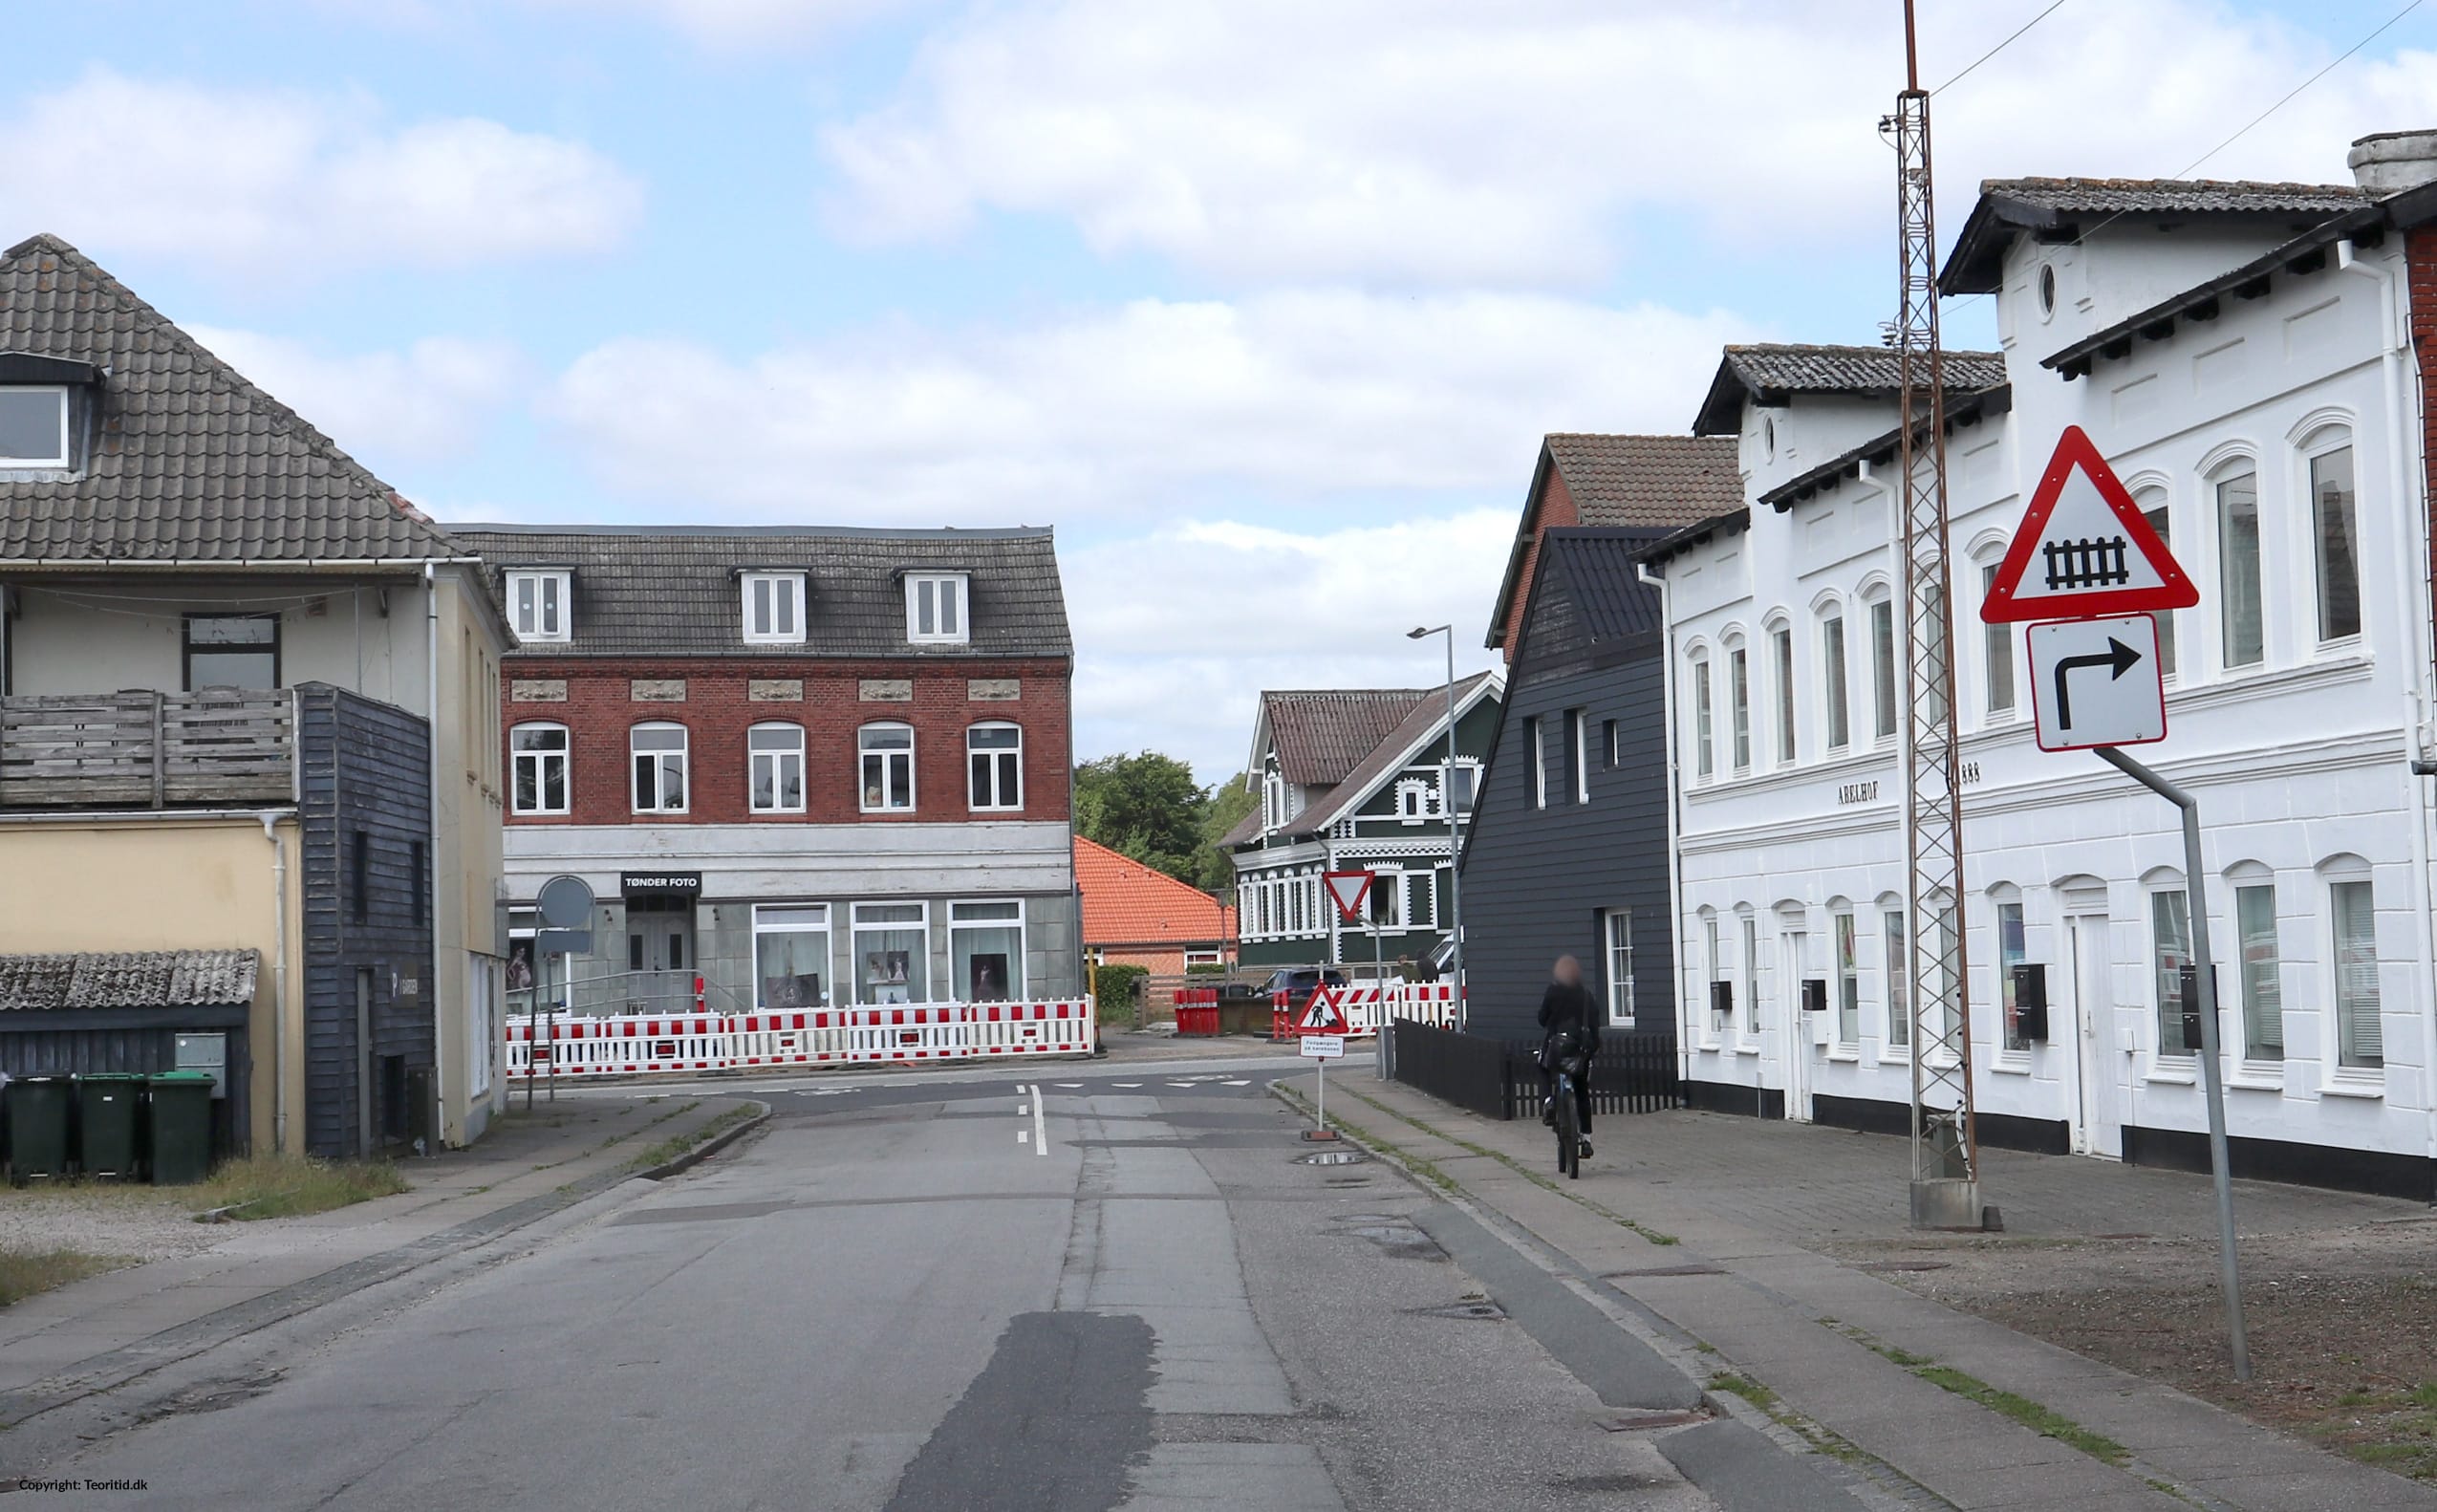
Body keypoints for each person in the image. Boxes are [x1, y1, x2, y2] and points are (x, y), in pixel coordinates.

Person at [1536, 954, 1597, 1158]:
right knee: (1582, 1092)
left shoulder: (1553, 991)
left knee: (1543, 1068)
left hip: (1556, 1046)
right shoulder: (1586, 995)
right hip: (1580, 1050)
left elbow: (1541, 1019)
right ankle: (1586, 1139)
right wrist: (1593, 1048)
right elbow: (1595, 1022)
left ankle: (1547, 1102)